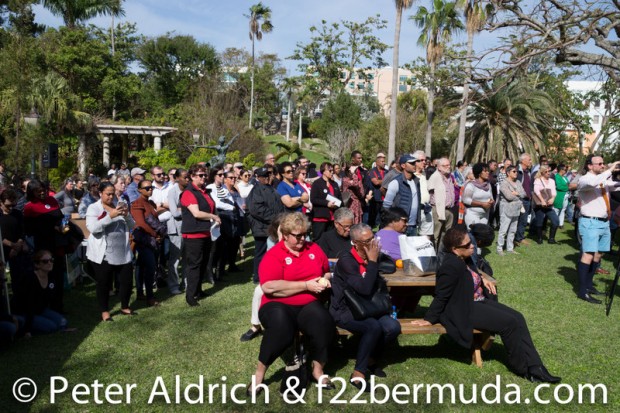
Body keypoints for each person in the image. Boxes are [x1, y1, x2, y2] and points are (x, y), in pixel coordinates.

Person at [412, 226, 561, 383]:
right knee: (509, 323)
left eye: (471, 242)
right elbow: (441, 296)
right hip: (464, 309)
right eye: (467, 245)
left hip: (478, 301)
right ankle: (523, 368)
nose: (472, 246)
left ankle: (536, 367)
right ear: (455, 249)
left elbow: (472, 273)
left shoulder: (465, 258)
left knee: (518, 317)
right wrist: (429, 319)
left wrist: (482, 278)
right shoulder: (450, 266)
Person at [248, 212, 335, 395]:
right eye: (298, 235)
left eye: (305, 234)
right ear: (286, 235)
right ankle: (259, 374)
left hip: (308, 303)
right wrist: (305, 285)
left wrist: (324, 280)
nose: (303, 238)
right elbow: (269, 287)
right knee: (280, 328)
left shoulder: (313, 249)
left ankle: (317, 370)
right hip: (277, 303)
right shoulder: (274, 255)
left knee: (324, 322)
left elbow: (326, 271)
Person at [329, 223, 401, 390]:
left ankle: (370, 358)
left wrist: (374, 259)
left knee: (393, 327)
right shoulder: (347, 261)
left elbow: (390, 266)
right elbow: (364, 288)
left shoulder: (372, 255)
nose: (373, 243)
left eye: (373, 238)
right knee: (373, 327)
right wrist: (373, 262)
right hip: (346, 310)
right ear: (355, 243)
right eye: (367, 241)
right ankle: (358, 374)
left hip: (370, 307)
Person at [86, 182, 135, 322]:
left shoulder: (119, 205)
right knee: (104, 283)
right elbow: (93, 228)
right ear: (100, 193)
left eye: (113, 194)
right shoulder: (94, 208)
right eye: (108, 194)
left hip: (122, 251)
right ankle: (105, 311)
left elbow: (132, 225)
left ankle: (125, 306)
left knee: (126, 281)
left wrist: (126, 215)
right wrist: (110, 216)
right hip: (104, 253)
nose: (111, 196)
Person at [576, 156, 620, 304]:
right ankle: (582, 291)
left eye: (603, 163)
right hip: (590, 222)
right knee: (588, 255)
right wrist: (611, 168)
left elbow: (614, 185)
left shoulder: (602, 180)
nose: (602, 165)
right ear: (589, 166)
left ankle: (589, 285)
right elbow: (594, 182)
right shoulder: (585, 180)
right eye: (599, 163)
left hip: (603, 222)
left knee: (598, 255)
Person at [23, 180, 66, 313]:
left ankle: (58, 305)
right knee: (46, 275)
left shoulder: (52, 201)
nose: (42, 192)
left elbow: (60, 217)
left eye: (43, 189)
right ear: (31, 192)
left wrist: (62, 225)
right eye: (38, 191)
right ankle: (45, 305)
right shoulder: (29, 207)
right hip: (43, 247)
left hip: (58, 245)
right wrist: (51, 228)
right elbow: (29, 229)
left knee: (58, 275)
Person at [180, 165, 220, 306]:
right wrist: (213, 217)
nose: (204, 177)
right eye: (200, 175)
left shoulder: (204, 191)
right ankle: (190, 296)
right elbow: (196, 213)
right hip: (193, 235)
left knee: (203, 263)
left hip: (206, 232)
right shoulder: (188, 192)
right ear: (192, 176)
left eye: (205, 175)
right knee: (195, 265)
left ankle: (198, 290)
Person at [11, 250, 72, 335]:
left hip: (40, 310)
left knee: (63, 322)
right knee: (51, 327)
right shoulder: (30, 278)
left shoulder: (51, 277)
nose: (49, 263)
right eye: (45, 261)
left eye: (51, 260)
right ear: (37, 265)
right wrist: (27, 330)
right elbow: (28, 304)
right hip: (25, 312)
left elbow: (52, 299)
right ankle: (21, 323)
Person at [247, 166, 285, 283]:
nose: (267, 178)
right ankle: (258, 277)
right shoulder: (256, 190)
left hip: (272, 226)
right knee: (261, 253)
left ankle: (271, 274)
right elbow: (257, 209)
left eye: (268, 175)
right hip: (262, 227)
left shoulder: (271, 188)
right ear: (258, 177)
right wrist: (275, 218)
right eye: (264, 176)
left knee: (273, 252)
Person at [130, 179, 162, 307]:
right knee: (150, 267)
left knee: (141, 265)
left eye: (151, 187)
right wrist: (155, 234)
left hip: (150, 238)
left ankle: (140, 293)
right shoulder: (137, 203)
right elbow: (141, 223)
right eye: (147, 188)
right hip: (143, 239)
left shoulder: (149, 202)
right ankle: (149, 296)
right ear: (139, 190)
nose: (150, 189)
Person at [383, 155, 420, 236]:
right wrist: (395, 221)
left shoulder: (416, 181)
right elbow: (386, 205)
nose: (414, 165)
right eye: (411, 163)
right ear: (403, 165)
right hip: (400, 226)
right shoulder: (396, 182)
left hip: (413, 225)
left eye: (414, 163)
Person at [166, 168, 189, 295]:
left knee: (187, 258)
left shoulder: (189, 190)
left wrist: (183, 209)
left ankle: (186, 283)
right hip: (175, 229)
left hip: (188, 227)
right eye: (185, 177)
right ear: (177, 178)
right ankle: (173, 285)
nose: (187, 179)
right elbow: (175, 213)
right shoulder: (172, 192)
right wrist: (190, 210)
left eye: (188, 177)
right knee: (175, 260)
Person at [428, 157, 456, 249]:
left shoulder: (449, 177)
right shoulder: (435, 177)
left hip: (449, 210)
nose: (448, 167)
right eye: (445, 165)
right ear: (439, 167)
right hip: (437, 210)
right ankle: (433, 254)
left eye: (449, 165)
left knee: (446, 236)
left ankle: (442, 254)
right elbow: (429, 192)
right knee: (435, 235)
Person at [497, 166, 526, 255]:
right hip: (506, 208)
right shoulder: (504, 183)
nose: (516, 173)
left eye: (516, 171)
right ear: (508, 173)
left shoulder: (518, 182)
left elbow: (524, 194)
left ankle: (510, 248)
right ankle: (499, 248)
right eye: (514, 171)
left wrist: (517, 193)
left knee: (513, 230)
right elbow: (509, 196)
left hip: (516, 209)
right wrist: (519, 196)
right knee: (503, 230)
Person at [310, 162, 342, 241]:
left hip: (333, 218)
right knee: (319, 239)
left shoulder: (334, 184)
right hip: (320, 217)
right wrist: (326, 203)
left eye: (332, 170)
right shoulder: (317, 184)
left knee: (330, 240)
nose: (332, 172)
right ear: (324, 172)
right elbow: (313, 199)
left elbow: (340, 198)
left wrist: (338, 204)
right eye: (330, 171)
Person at [532, 165, 560, 244]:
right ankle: (539, 238)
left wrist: (552, 198)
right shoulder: (538, 180)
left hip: (549, 205)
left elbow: (554, 191)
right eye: (546, 171)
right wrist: (542, 200)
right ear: (542, 172)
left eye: (549, 171)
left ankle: (551, 238)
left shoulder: (552, 181)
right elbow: (536, 191)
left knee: (555, 221)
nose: (548, 173)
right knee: (539, 221)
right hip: (540, 205)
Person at [462, 163, 494, 227]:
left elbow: (491, 197)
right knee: (474, 232)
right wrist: (482, 204)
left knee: (483, 233)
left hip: (485, 215)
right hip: (472, 214)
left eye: (488, 171)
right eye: (485, 171)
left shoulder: (488, 185)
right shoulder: (471, 185)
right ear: (479, 173)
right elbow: (466, 200)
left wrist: (491, 201)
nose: (488, 173)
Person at [515, 153, 533, 246]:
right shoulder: (516, 171)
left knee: (523, 220)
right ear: (523, 161)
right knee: (517, 219)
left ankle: (519, 237)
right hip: (519, 199)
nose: (531, 161)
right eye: (529, 160)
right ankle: (515, 238)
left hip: (527, 199)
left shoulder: (528, 172)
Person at [368, 153, 387, 228]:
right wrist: (385, 181)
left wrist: (381, 181)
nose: (384, 163)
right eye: (382, 161)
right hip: (376, 198)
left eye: (384, 161)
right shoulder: (372, 171)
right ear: (377, 162)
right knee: (374, 218)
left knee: (383, 218)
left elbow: (390, 181)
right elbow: (375, 182)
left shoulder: (387, 171)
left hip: (385, 198)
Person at [553, 164, 570, 228]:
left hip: (565, 196)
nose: (566, 171)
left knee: (563, 210)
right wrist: (567, 187)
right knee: (556, 210)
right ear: (561, 170)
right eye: (565, 169)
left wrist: (567, 186)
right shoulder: (557, 176)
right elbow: (559, 186)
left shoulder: (565, 177)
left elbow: (568, 184)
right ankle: (554, 223)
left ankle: (561, 224)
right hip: (559, 196)